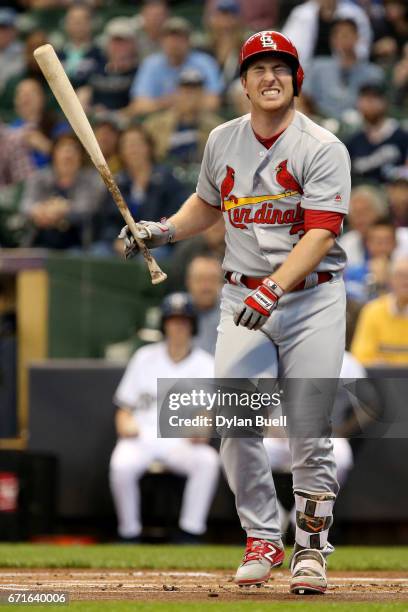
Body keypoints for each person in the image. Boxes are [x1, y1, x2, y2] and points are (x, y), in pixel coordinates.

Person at [120, 31, 351, 595]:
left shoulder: (323, 146)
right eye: (258, 70)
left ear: (296, 79)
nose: (269, 77)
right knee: (235, 417)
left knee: (309, 427)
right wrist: (164, 229)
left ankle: (312, 550)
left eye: (280, 68)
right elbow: (208, 203)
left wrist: (273, 287)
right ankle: (262, 536)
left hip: (311, 297)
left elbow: (322, 234)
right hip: (240, 296)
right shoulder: (222, 140)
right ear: (243, 83)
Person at [109, 292, 219, 543]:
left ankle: (191, 531)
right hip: (143, 435)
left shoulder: (206, 364)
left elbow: (207, 415)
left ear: (192, 325)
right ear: (164, 324)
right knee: (121, 464)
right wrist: (125, 424)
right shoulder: (144, 357)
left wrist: (202, 428)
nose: (178, 326)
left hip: (179, 441)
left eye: (184, 320)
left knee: (208, 461)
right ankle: (129, 533)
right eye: (173, 320)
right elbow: (124, 408)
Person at [21, 133, 105, 250]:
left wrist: (63, 209)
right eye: (63, 149)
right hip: (40, 240)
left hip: (77, 243)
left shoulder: (90, 179)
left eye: (74, 150)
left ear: (80, 156)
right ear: (54, 154)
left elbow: (88, 208)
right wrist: (40, 211)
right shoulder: (39, 177)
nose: (68, 155)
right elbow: (26, 204)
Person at [129, 16, 223, 116]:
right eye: (170, 38)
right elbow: (139, 105)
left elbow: (213, 102)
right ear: (162, 41)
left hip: (197, 119)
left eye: (180, 38)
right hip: (161, 122)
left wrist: (179, 102)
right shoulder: (151, 64)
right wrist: (167, 102)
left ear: (189, 41)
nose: (174, 43)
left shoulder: (204, 62)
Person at [302, 18, 383, 120]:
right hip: (322, 124)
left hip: (359, 126)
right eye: (338, 36)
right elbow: (303, 97)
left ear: (357, 37)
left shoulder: (373, 73)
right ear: (332, 40)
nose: (343, 39)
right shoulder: (317, 67)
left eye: (347, 35)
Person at [346, 84, 408, 184]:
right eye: (364, 99)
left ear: (384, 102)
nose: (368, 105)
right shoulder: (354, 141)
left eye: (373, 99)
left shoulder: (402, 137)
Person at [351, 257, 408, 366]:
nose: (406, 281)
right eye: (401, 275)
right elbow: (360, 357)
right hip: (380, 380)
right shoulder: (372, 311)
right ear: (391, 280)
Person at [282, 0, 372, 68]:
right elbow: (286, 45)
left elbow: (363, 47)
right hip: (307, 69)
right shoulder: (301, 13)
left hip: (344, 69)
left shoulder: (355, 14)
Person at [185, 255, 223, 355]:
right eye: (200, 280)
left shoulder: (233, 314)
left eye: (212, 280)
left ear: (222, 283)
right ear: (189, 282)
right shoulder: (178, 312)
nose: (206, 286)